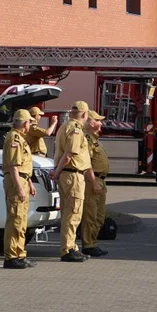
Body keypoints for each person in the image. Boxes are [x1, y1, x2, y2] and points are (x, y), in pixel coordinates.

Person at [49, 101, 97, 262]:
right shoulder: (76, 130)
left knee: (69, 212)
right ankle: (67, 249)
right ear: (84, 115)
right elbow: (69, 154)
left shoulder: (64, 126)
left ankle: (72, 246)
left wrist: (57, 171)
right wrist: (57, 171)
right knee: (73, 213)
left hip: (67, 175)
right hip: (73, 175)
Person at [1, 108, 36, 269]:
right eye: (29, 122)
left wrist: (28, 183)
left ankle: (19, 253)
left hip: (22, 180)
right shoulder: (14, 139)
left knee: (21, 220)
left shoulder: (21, 139)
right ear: (24, 123)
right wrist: (19, 188)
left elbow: (22, 167)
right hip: (16, 182)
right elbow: (14, 167)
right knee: (15, 219)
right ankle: (11, 256)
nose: (30, 125)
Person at [79, 110, 110, 258]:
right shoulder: (87, 139)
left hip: (100, 180)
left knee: (99, 215)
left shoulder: (95, 139)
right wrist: (93, 182)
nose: (101, 123)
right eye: (98, 120)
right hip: (93, 180)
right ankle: (88, 245)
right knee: (90, 214)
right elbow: (87, 164)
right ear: (91, 123)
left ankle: (92, 241)